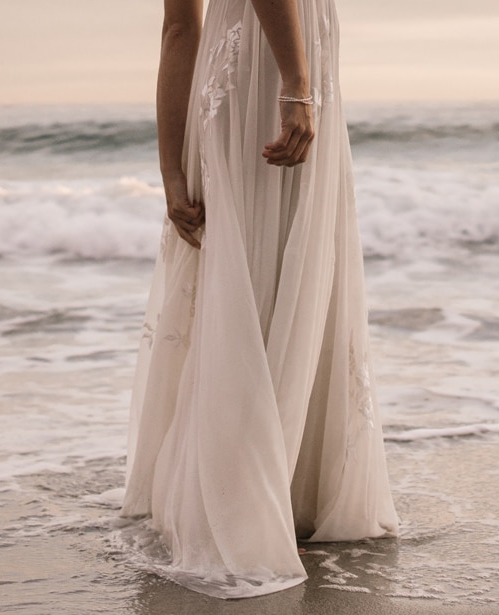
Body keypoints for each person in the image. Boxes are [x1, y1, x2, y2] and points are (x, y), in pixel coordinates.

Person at [121, 0, 399, 598]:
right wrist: (298, 84)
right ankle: (255, 508)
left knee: (255, 275)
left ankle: (255, 494)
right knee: (276, 271)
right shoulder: (293, 82)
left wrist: (171, 167)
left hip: (239, 84)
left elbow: (178, 27)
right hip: (274, 79)